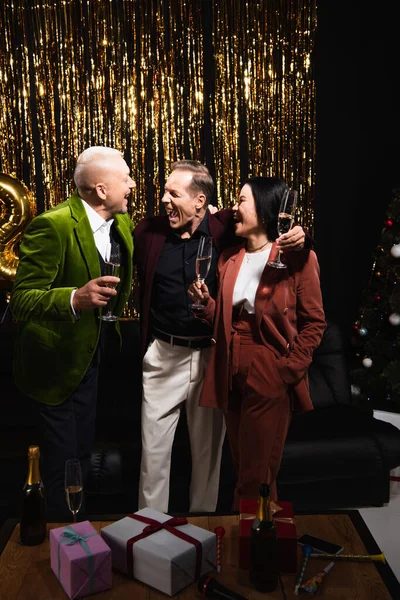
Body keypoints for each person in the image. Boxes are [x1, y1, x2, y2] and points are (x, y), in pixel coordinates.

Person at [133, 161, 307, 513]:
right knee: (152, 457)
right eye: (165, 191)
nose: (164, 199)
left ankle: (202, 535)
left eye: (173, 193)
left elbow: (271, 225)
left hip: (212, 358)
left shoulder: (226, 227)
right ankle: (147, 532)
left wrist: (303, 234)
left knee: (208, 458)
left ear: (200, 202)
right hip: (164, 355)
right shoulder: (147, 233)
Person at [10, 146, 135, 519]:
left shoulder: (122, 221)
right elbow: (21, 300)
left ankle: (80, 534)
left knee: (82, 451)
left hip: (90, 359)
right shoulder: (54, 224)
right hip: (53, 366)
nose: (131, 184)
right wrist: (74, 298)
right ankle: (62, 540)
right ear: (100, 189)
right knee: (62, 459)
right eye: (125, 178)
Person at [188, 176, 326, 510]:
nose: (234, 208)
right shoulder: (228, 259)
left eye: (241, 201)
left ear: (264, 211)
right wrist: (206, 305)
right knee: (247, 466)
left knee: (255, 473)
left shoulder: (297, 258)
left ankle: (247, 546)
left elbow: (315, 322)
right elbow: (225, 319)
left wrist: (287, 370)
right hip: (228, 366)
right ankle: (261, 545)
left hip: (268, 367)